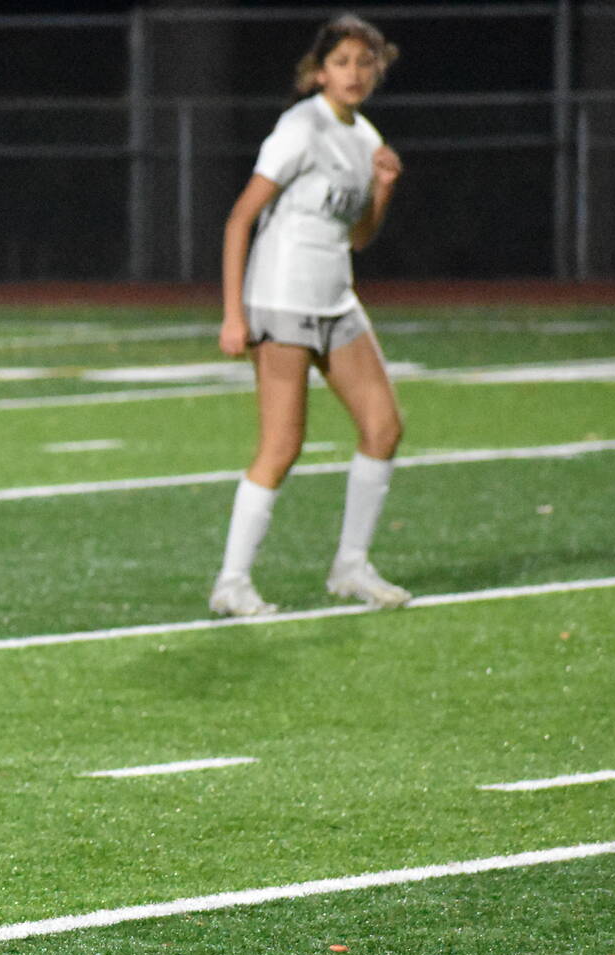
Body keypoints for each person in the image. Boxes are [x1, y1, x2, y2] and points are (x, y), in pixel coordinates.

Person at [211, 12, 408, 617]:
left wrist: (382, 191)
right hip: (282, 299)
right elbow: (239, 219)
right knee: (282, 445)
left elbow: (358, 237)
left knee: (383, 428)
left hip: (336, 299)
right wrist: (233, 314)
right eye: (342, 62)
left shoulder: (366, 137)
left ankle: (351, 566)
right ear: (319, 71)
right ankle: (232, 583)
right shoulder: (300, 127)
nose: (355, 73)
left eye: (365, 62)